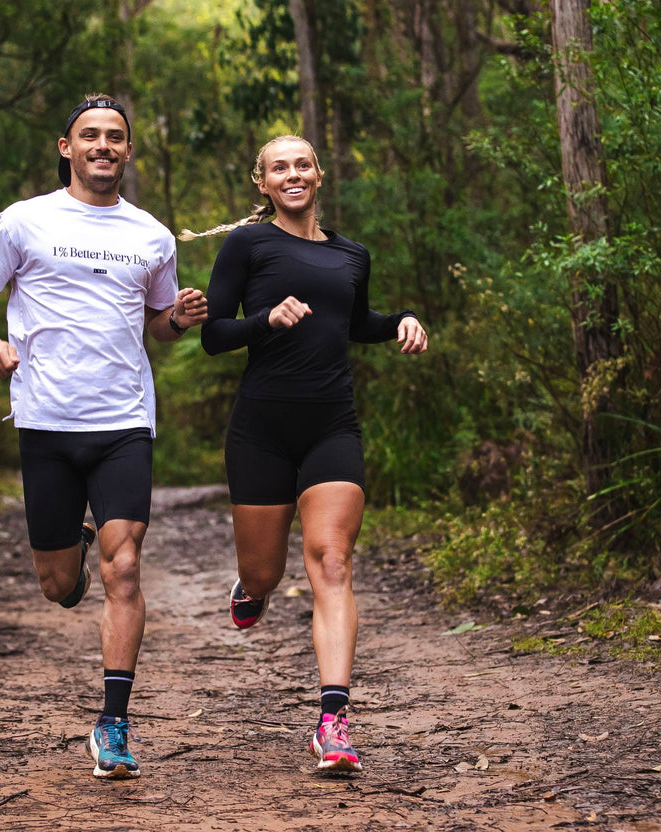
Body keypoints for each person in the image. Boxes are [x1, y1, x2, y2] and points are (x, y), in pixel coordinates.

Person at [0, 93, 208, 780]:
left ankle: (114, 725)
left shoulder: (152, 235)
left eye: (116, 137)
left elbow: (157, 323)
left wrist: (179, 319)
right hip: (45, 419)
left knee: (123, 568)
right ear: (65, 147)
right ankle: (72, 541)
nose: (103, 145)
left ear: (129, 151)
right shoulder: (24, 221)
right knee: (56, 582)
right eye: (90, 135)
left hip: (123, 419)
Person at [186, 135, 427, 773]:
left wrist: (400, 319)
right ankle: (253, 587)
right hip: (261, 430)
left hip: (332, 426)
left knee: (333, 563)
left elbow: (354, 323)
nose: (292, 175)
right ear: (261, 184)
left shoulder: (352, 254)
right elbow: (214, 336)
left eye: (302, 164)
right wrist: (265, 319)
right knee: (266, 573)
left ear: (319, 175)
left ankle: (333, 719)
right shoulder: (247, 244)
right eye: (278, 168)